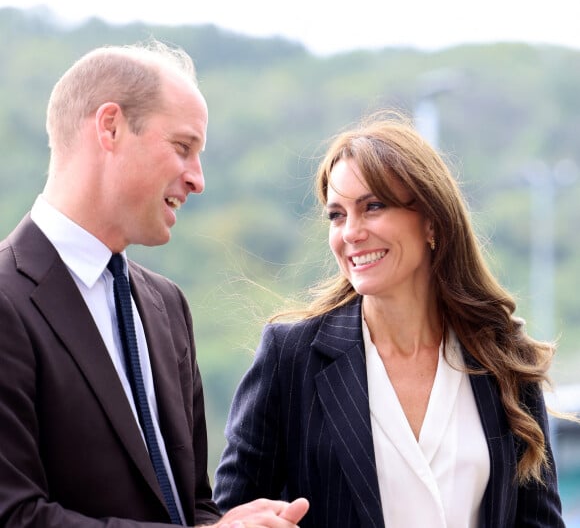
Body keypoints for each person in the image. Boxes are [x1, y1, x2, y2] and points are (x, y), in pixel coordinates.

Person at [0, 40, 308, 527]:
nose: (198, 179)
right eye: (183, 148)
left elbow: (191, 508)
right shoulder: (6, 299)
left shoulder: (167, 306)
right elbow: (13, 515)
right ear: (111, 127)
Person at [213, 113, 565, 527]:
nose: (350, 233)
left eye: (373, 207)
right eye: (337, 215)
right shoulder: (290, 357)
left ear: (432, 220)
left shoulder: (502, 355)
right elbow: (230, 514)